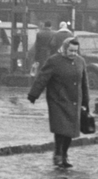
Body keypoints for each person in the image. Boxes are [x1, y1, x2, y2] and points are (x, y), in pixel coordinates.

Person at [27, 32, 90, 168]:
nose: (73, 53)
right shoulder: (54, 61)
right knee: (61, 129)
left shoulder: (80, 62)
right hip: (58, 100)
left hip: (74, 101)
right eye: (71, 50)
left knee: (70, 132)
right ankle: (58, 154)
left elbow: (84, 83)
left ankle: (65, 154)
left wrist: (86, 102)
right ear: (64, 48)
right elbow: (42, 78)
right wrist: (34, 94)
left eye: (75, 51)